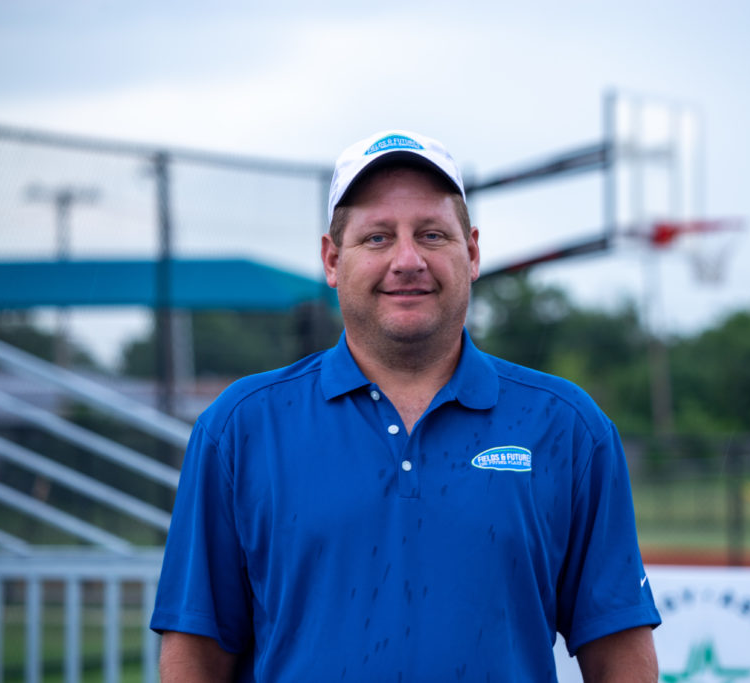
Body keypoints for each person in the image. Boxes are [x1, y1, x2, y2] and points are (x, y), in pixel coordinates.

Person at [151, 130, 661, 682]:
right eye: (376, 238)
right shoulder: (240, 428)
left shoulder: (568, 428)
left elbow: (619, 655)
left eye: (432, 234)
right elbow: (195, 657)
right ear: (331, 259)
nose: (408, 260)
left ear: (472, 254)